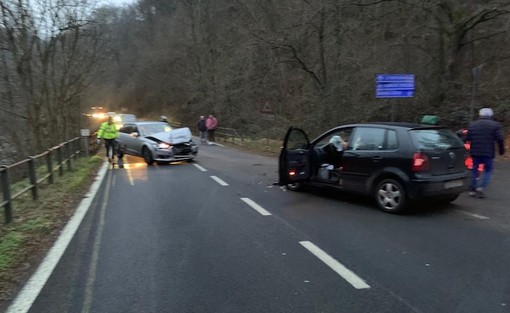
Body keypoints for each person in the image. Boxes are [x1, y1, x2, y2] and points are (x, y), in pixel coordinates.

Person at [465, 107, 505, 198]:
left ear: (480, 115)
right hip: (488, 153)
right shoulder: (495, 125)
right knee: (488, 170)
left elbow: (467, 138)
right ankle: (481, 187)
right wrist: (501, 150)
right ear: (491, 115)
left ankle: (472, 189)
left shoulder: (473, 125)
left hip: (475, 152)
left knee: (474, 170)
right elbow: (500, 139)